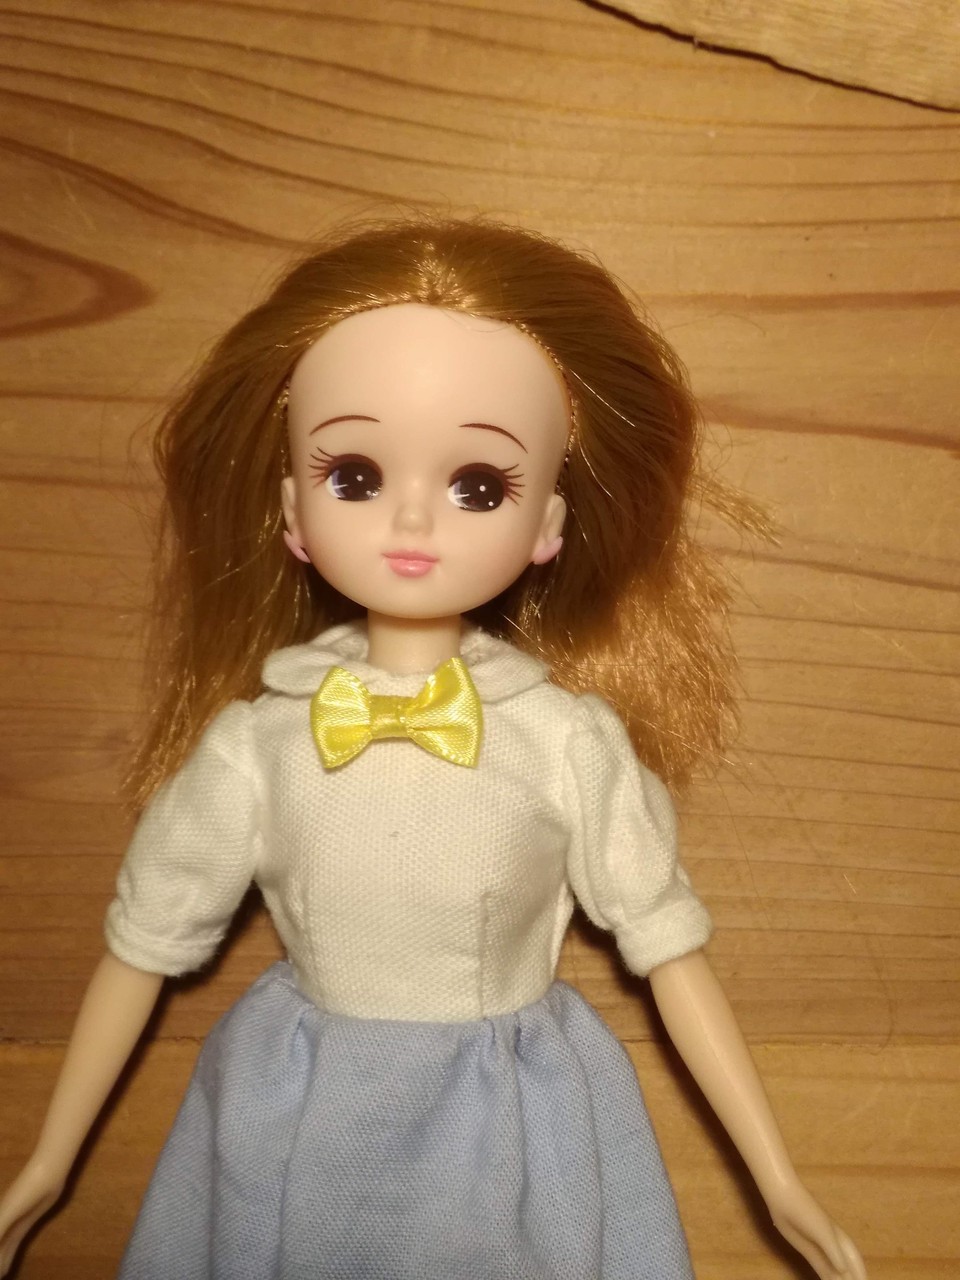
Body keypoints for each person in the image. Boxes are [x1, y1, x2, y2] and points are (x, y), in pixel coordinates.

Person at [0, 218, 866, 1279]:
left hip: (509, 1113)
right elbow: (143, 945)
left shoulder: (562, 741)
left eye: (478, 486)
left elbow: (670, 952)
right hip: (302, 1104)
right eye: (355, 474)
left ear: (547, 524)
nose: (413, 520)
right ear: (293, 510)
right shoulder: (259, 745)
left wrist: (780, 1179)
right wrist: (47, 1162)